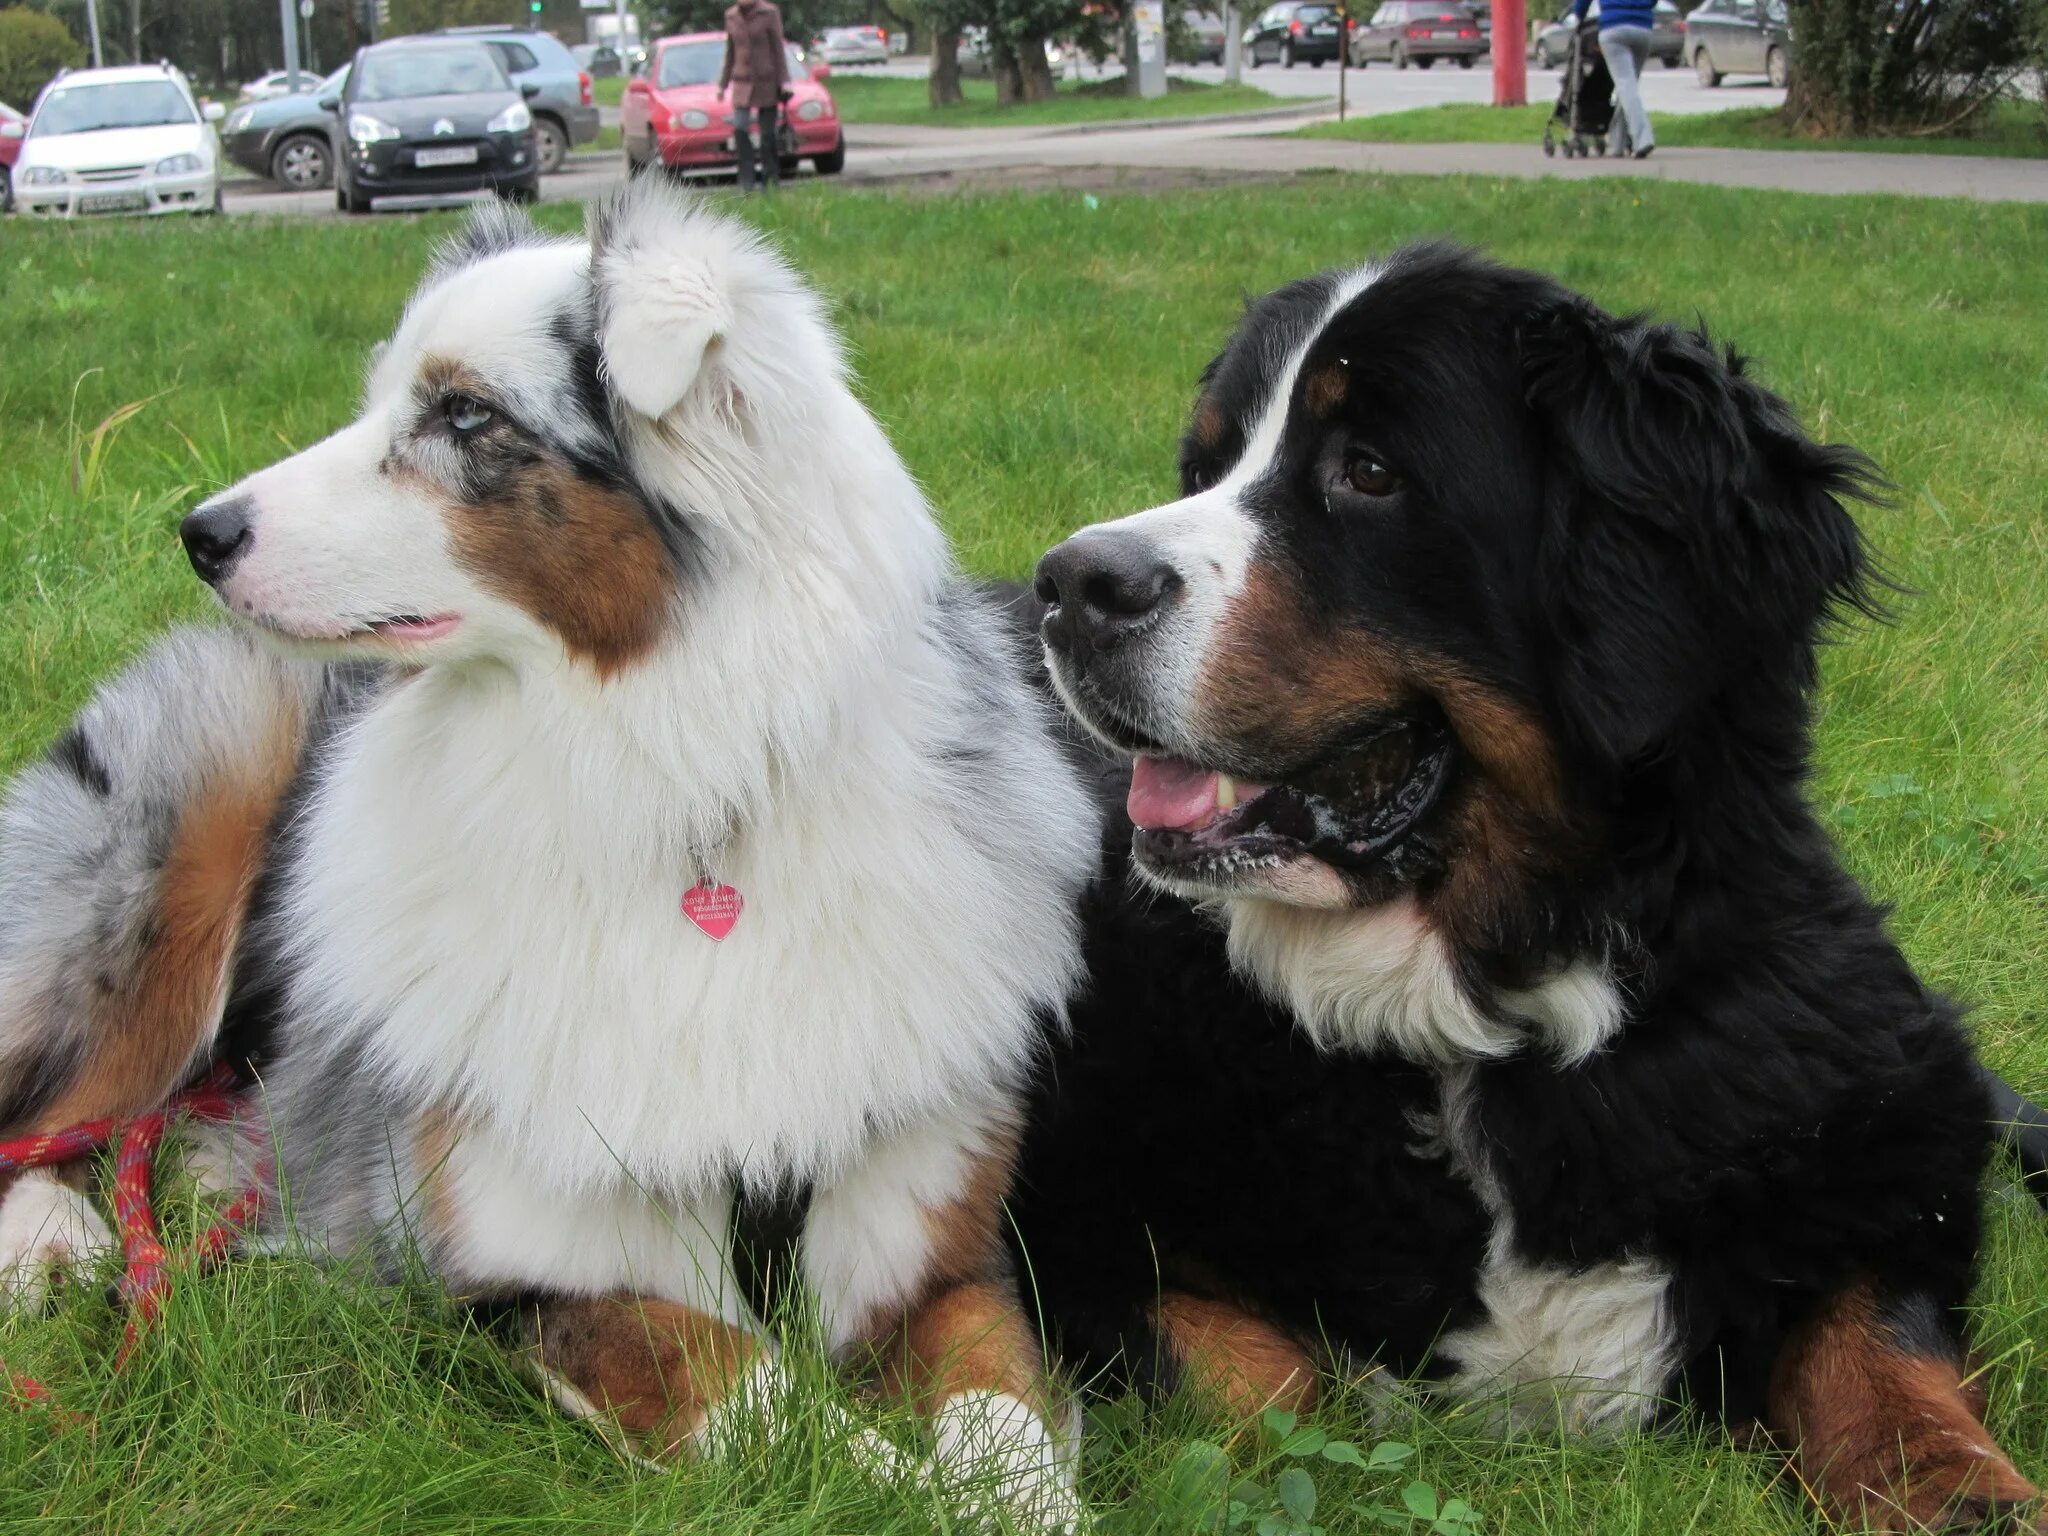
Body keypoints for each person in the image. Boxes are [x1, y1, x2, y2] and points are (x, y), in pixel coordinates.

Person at [718, 0, 791, 192]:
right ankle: (746, 182)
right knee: (740, 129)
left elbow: (778, 49)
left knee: (768, 134)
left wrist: (785, 81)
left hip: (766, 82)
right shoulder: (731, 16)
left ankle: (770, 181)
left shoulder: (769, 12)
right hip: (742, 82)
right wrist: (722, 84)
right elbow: (730, 53)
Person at [1573, 0, 1655, 158]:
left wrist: (1579, 16)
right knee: (1629, 88)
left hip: (1613, 29)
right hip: (1643, 30)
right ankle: (1617, 143)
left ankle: (1643, 139)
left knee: (1625, 86)